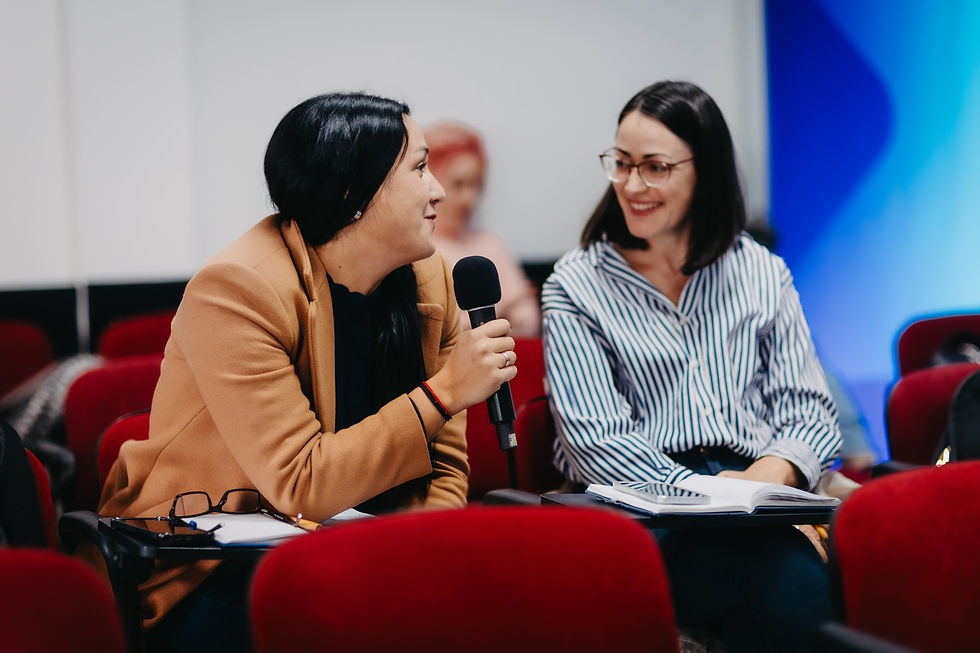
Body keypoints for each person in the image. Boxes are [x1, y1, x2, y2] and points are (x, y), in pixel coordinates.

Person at [86, 92, 518, 651]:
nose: (438, 190)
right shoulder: (237, 289)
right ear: (351, 194)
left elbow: (446, 468)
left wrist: (417, 565)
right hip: (214, 564)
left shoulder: (429, 274)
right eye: (419, 168)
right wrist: (444, 394)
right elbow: (300, 483)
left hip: (367, 556)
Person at [542, 81, 841, 652]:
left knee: (785, 573)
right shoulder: (576, 284)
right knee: (782, 579)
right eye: (622, 163)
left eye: (655, 167)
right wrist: (710, 499)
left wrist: (763, 487)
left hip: (758, 491)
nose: (632, 185)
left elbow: (811, 414)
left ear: (705, 170)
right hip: (643, 506)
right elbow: (596, 443)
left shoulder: (760, 272)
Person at [424, 122, 542, 336]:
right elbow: (432, 332)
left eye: (477, 185)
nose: (470, 198)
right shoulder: (420, 248)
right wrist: (500, 313)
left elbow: (528, 320)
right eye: (458, 184)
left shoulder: (491, 243)